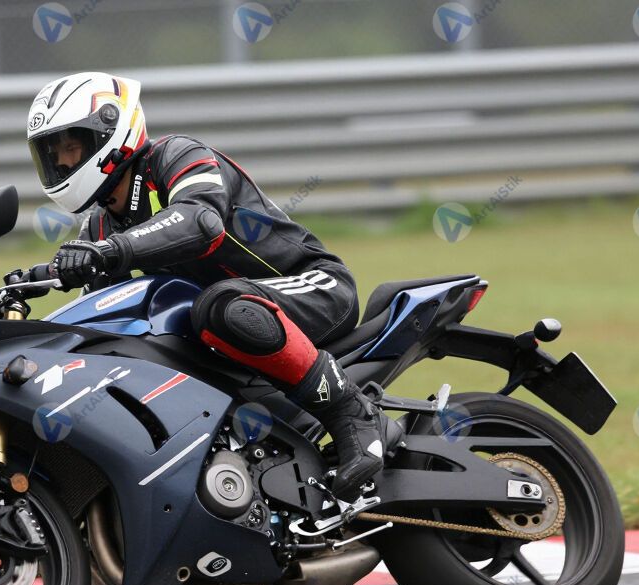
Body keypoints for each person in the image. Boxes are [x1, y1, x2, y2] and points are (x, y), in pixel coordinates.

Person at [25, 71, 397, 502]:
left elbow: (200, 221)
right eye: (52, 152)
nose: (62, 161)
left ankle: (352, 412)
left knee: (221, 306)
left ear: (110, 131)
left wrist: (110, 251)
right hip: (227, 330)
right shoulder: (101, 225)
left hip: (313, 287)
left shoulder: (175, 156)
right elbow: (99, 318)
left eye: (71, 146)